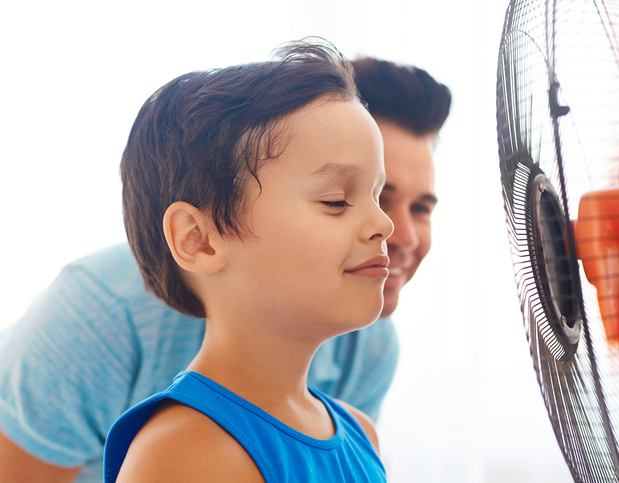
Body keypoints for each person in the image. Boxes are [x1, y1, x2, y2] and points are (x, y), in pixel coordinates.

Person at [0, 53, 451, 482]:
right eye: (335, 201)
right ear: (196, 239)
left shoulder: (359, 429)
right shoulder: (183, 451)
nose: (389, 227)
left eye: (374, 196)